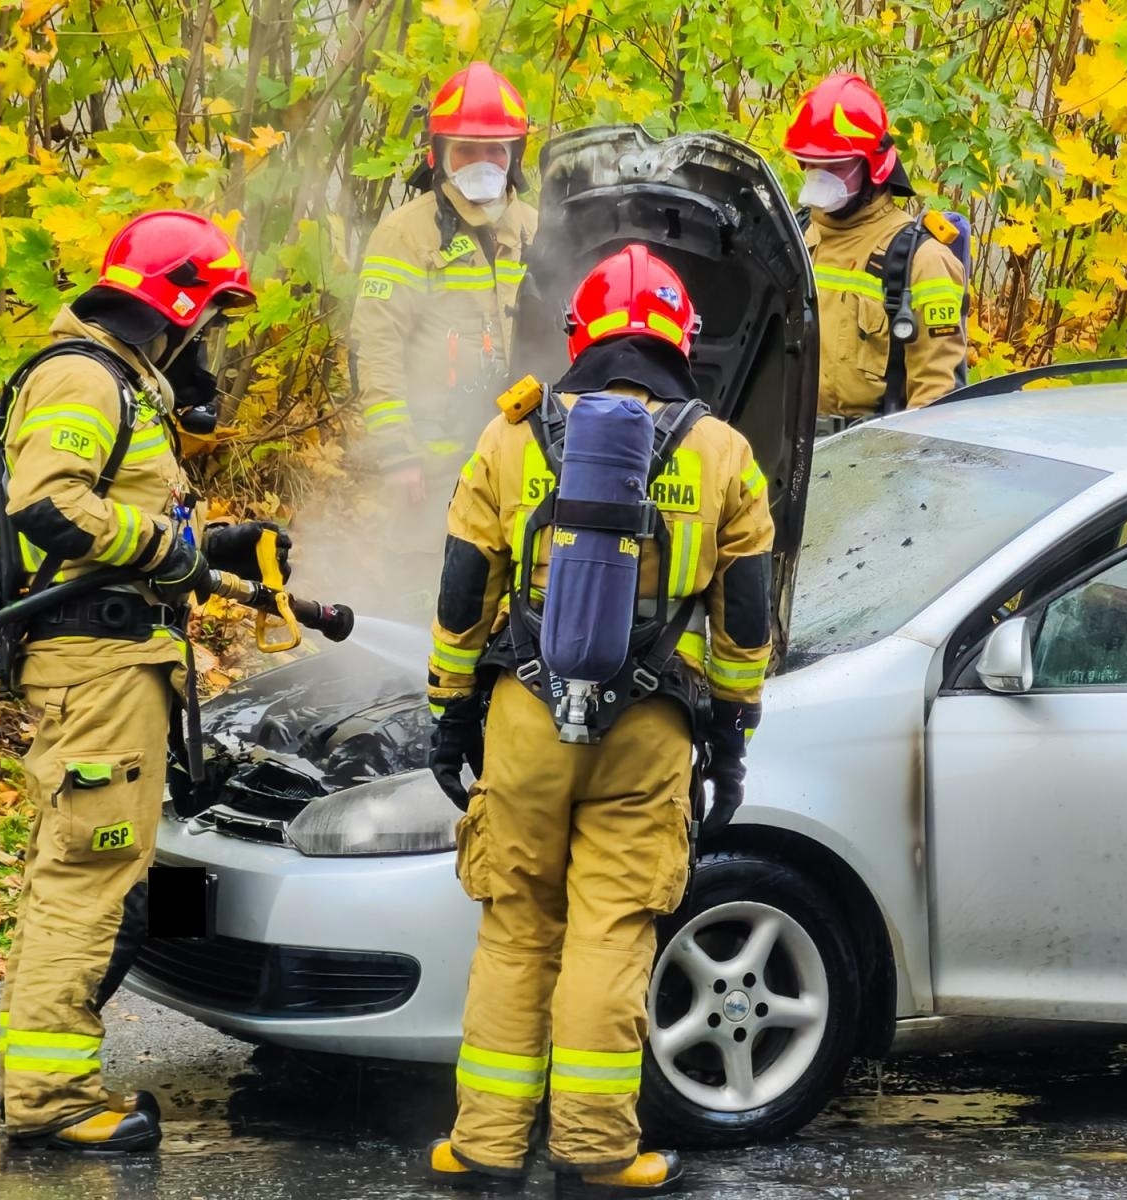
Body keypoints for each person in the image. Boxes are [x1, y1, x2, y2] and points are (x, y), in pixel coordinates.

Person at [423, 245, 775, 1195]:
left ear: (579, 335)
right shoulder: (722, 452)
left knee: (516, 928)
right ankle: (595, 1150)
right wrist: (731, 736)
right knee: (611, 932)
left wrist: (449, 711)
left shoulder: (512, 436)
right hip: (649, 730)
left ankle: (485, 1145)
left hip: (524, 720)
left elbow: (463, 590)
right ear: (683, 340)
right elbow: (746, 620)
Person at [0, 210, 288, 1151]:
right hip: (98, 666)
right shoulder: (85, 376)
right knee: (87, 876)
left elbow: (114, 515)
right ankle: (52, 1100)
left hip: (115, 662)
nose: (212, 342)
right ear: (177, 306)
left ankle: (41, 1084)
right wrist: (169, 549)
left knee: (85, 870)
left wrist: (214, 548)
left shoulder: (119, 383)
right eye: (213, 318)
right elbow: (49, 503)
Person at [349, 61, 540, 609]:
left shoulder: (534, 227)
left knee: (510, 594)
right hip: (431, 463)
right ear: (438, 154)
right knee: (424, 596)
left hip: (520, 456)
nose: (482, 164)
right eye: (466, 150)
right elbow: (376, 349)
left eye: (495, 151)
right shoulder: (404, 235)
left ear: (515, 155)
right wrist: (398, 454)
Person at [785, 72, 967, 418]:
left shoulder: (922, 261)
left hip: (871, 447)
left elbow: (935, 400)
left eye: (834, 165)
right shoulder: (794, 239)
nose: (819, 176)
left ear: (875, 165)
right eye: (810, 162)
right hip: (790, 445)